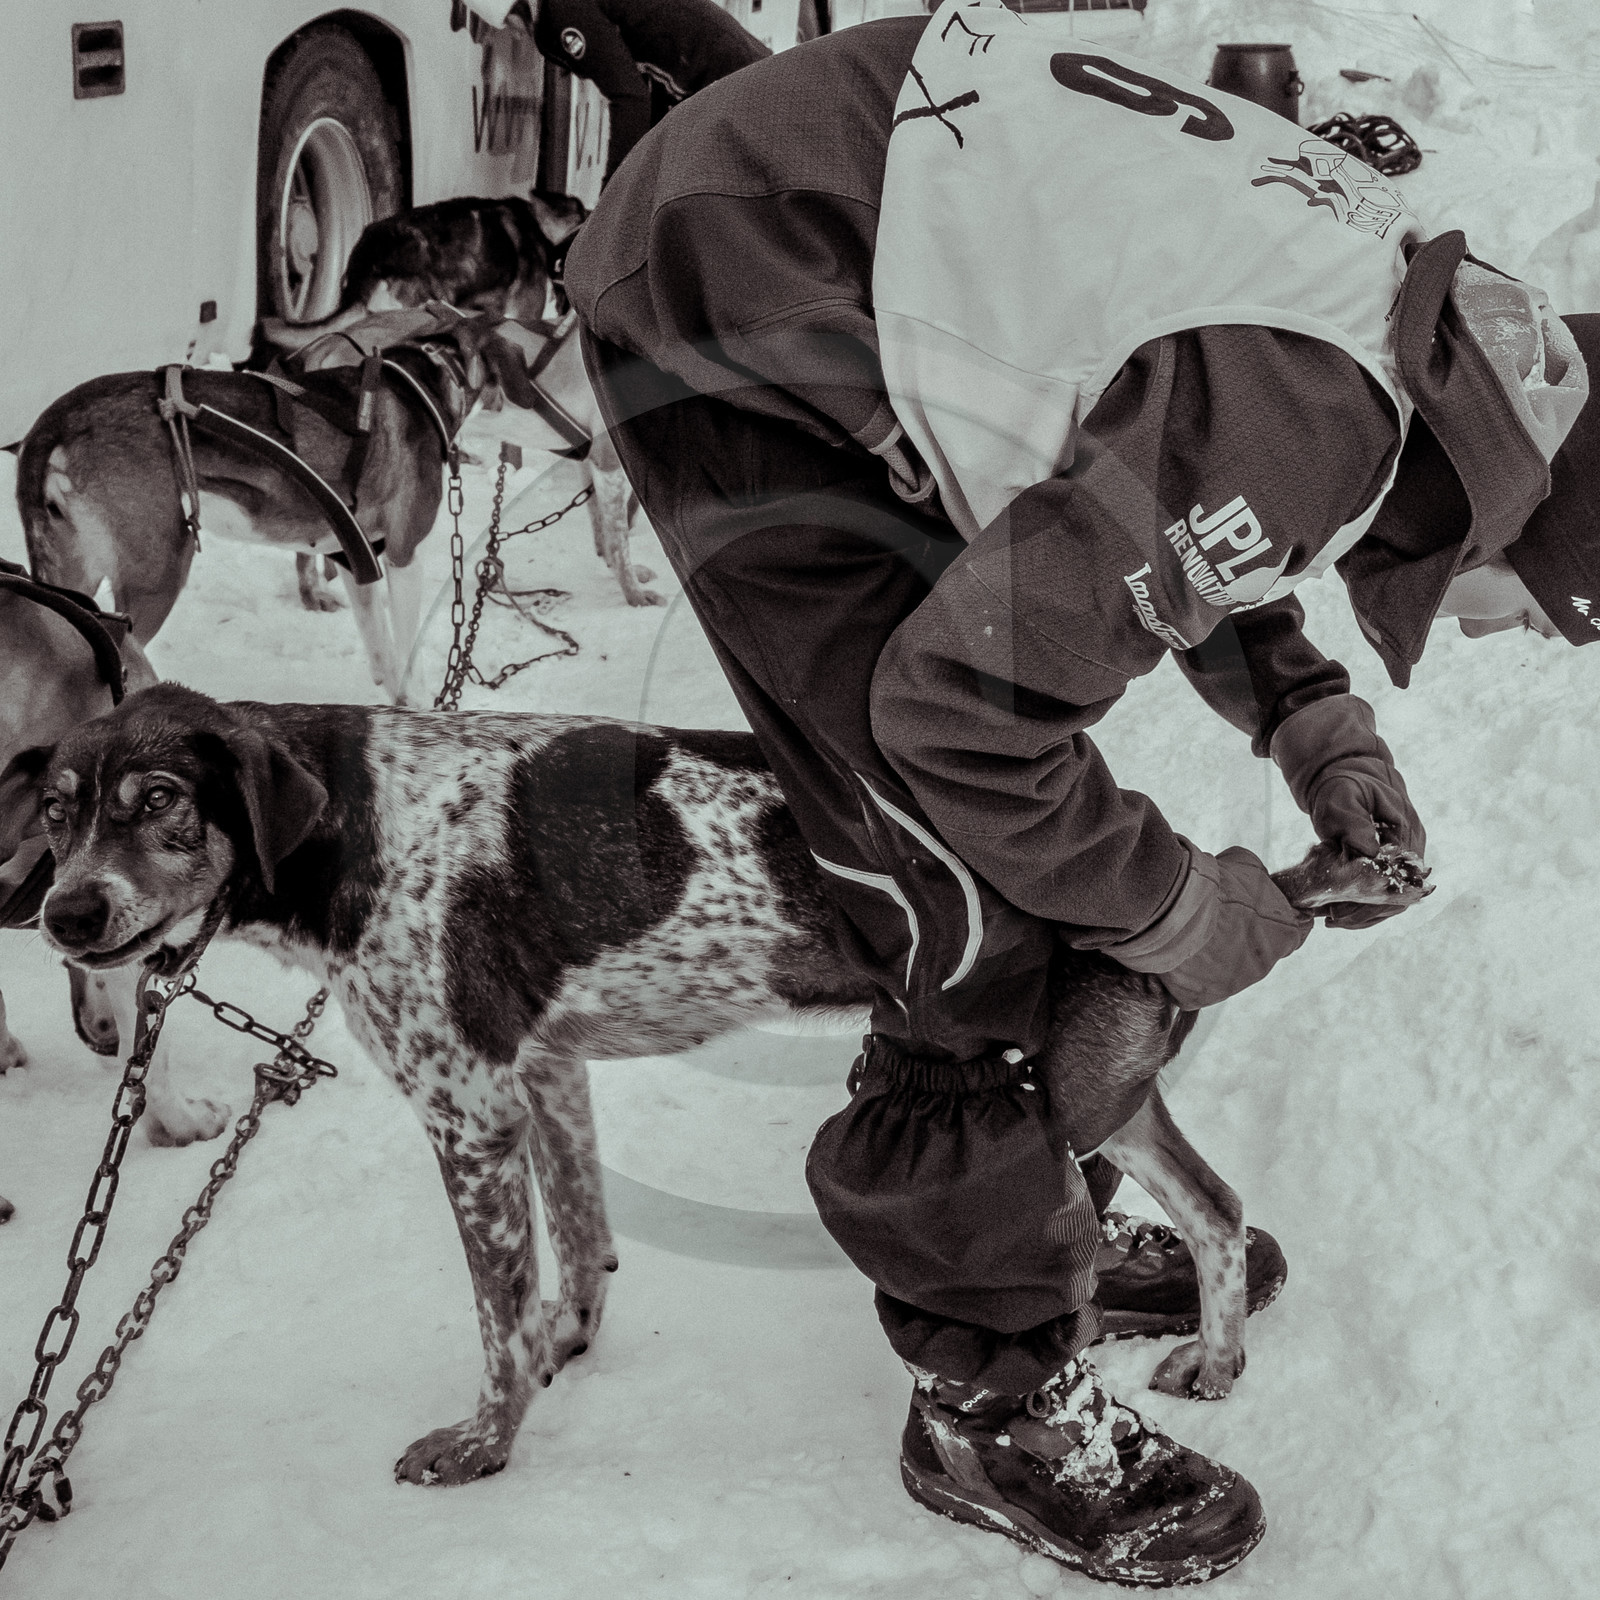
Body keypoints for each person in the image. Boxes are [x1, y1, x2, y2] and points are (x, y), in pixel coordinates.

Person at [564, 3, 1596, 1586]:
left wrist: (1312, 719)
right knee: (959, 872)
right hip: (733, 283)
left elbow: (1166, 494)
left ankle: (1025, 1218)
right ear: (1532, 529)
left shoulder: (1404, 346)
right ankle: (990, 1404)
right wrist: (1186, 912)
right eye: (1548, 617)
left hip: (801, 216)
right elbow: (961, 717)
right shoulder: (1323, 412)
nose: (1519, 639)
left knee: (1007, 810)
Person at [460, 0, 770, 181]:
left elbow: (630, 98)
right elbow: (647, 91)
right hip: (737, 72)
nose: (514, 34)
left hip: (734, 79)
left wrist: (614, 194)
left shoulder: (561, 13)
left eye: (509, 24)